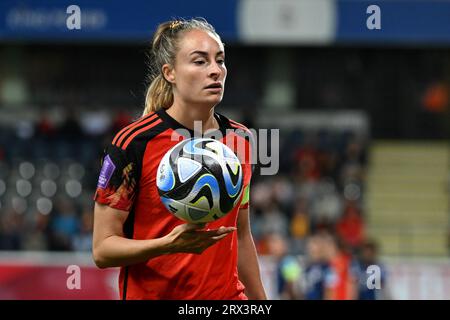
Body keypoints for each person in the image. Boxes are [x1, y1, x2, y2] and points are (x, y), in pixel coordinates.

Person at [92, 18, 267, 300]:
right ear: (170, 73)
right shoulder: (133, 143)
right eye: (200, 62)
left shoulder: (241, 139)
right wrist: (167, 244)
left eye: (219, 61)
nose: (215, 71)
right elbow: (102, 250)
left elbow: (241, 236)